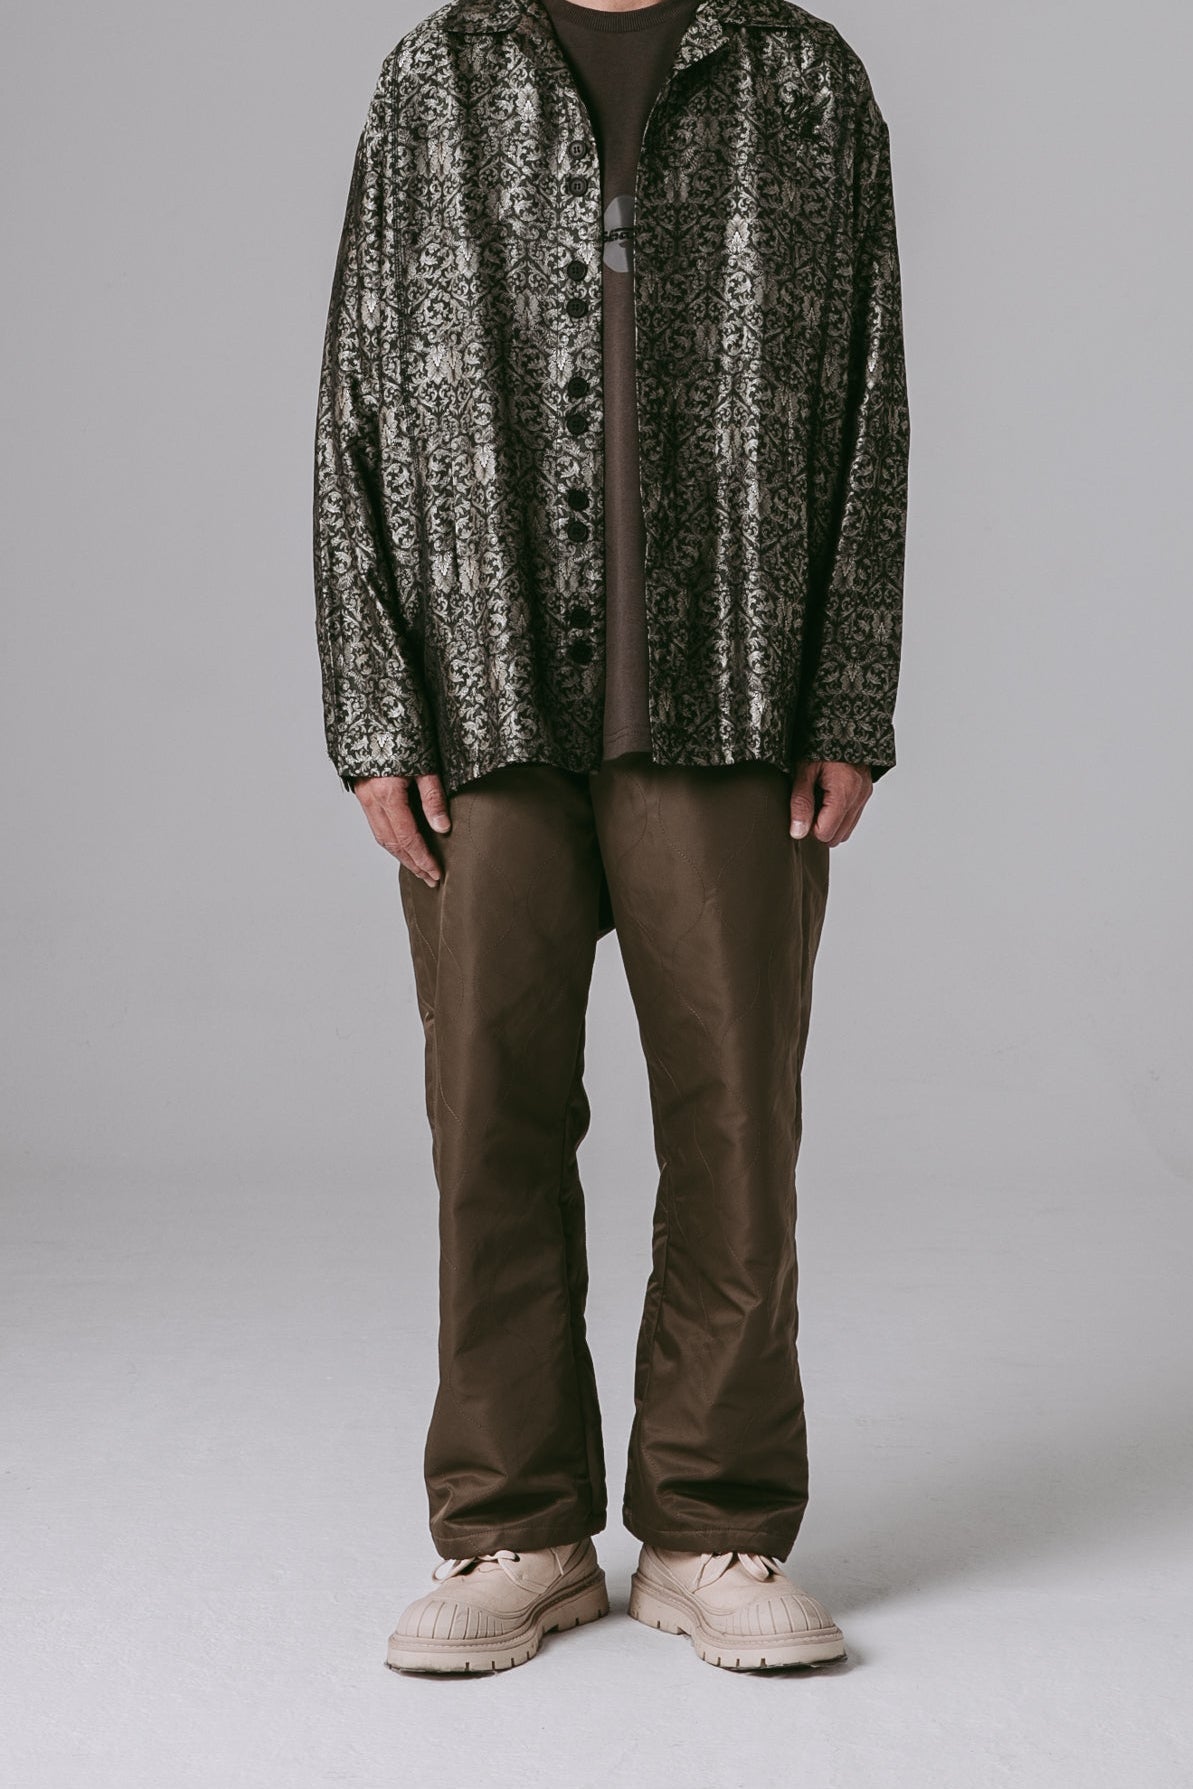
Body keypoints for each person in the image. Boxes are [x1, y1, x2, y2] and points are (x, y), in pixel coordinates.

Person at [313, 0, 909, 1675]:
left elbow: (868, 397)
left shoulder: (800, 80)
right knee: (487, 1115)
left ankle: (711, 1526)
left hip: (732, 679)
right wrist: (374, 706)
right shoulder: (440, 77)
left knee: (736, 1120)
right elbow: (354, 395)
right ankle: (515, 1527)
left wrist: (848, 689)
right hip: (482, 679)